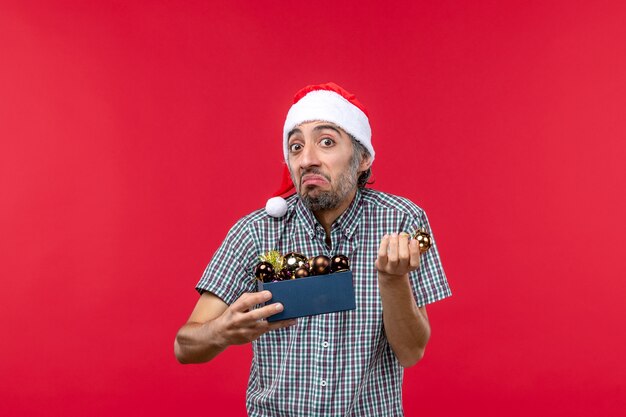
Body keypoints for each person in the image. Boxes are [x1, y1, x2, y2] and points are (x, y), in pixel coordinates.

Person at [174, 82, 451, 416]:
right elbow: (184, 346)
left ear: (362, 157)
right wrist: (221, 331)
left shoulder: (403, 221)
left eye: (326, 142)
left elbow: (411, 353)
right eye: (295, 147)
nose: (306, 159)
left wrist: (392, 281)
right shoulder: (255, 232)